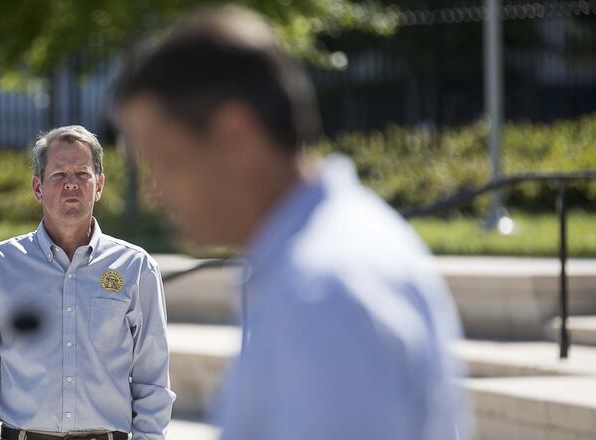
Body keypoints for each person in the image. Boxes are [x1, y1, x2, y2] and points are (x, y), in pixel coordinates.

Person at [116, 6, 468, 440]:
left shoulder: (321, 294)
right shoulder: (338, 249)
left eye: (167, 162)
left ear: (235, 136)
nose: (156, 193)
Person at [0, 125, 175, 440]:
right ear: (38, 187)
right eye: (59, 175)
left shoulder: (136, 267)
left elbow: (153, 378)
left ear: (99, 186)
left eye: (82, 174)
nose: (71, 184)